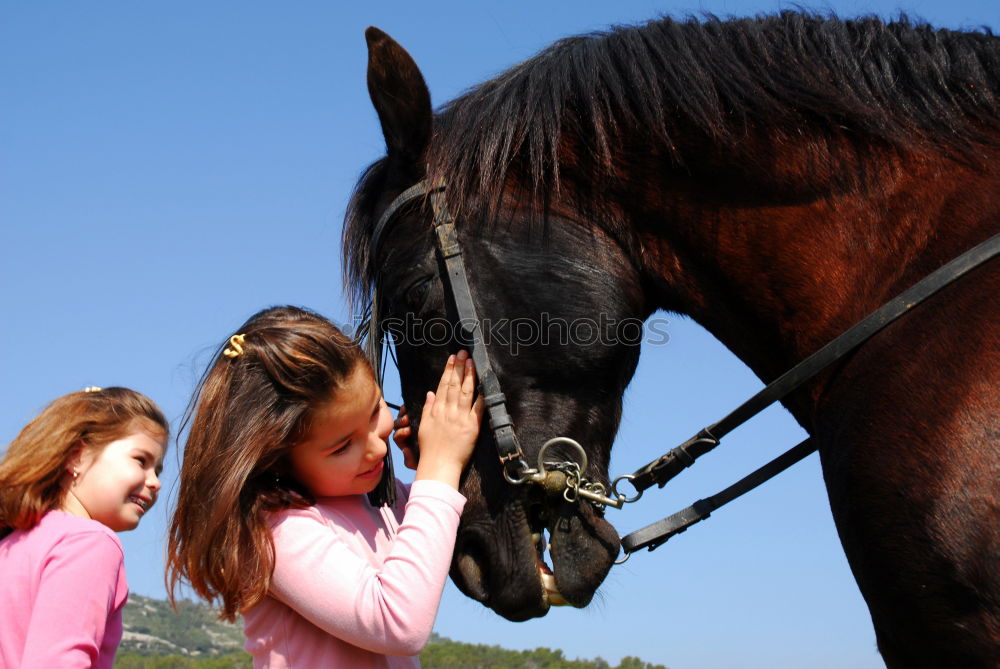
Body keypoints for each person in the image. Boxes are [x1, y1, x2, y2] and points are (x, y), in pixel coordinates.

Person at [166, 305, 483, 668]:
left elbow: (426, 546)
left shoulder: (368, 496)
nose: (378, 446)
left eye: (375, 411)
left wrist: (429, 466)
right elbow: (398, 624)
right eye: (342, 446)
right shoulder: (277, 531)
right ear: (276, 459)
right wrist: (438, 467)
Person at [0, 386, 168, 668]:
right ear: (77, 456)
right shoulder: (89, 542)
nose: (155, 482)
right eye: (141, 460)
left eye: (158, 470)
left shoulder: (11, 544)